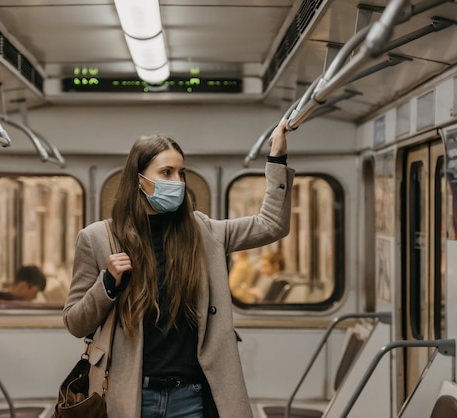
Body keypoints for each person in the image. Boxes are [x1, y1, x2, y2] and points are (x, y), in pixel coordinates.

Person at [63, 119, 293, 418]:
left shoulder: (204, 231)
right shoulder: (97, 239)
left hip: (191, 397)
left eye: (181, 173)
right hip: (132, 396)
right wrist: (107, 283)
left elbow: (271, 225)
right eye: (166, 173)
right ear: (139, 178)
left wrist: (277, 157)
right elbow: (75, 322)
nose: (177, 182)